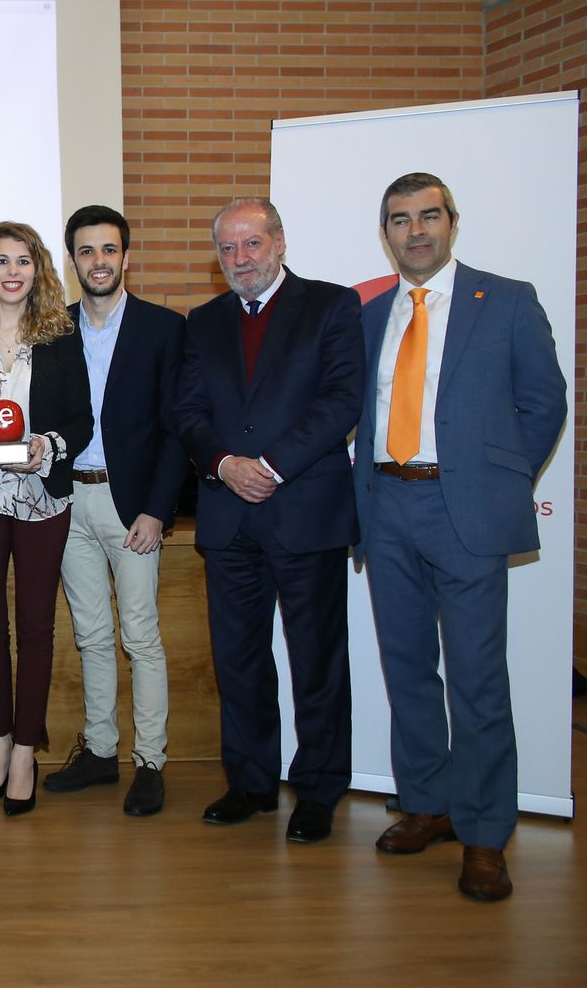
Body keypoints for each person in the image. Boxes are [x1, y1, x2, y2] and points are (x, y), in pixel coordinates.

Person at [353, 173, 565, 901]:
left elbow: (544, 402)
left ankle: (483, 835)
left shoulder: (505, 300)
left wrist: (498, 482)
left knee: (477, 680)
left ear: (452, 222)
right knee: (408, 670)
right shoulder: (370, 314)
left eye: (429, 216)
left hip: (463, 509)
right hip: (385, 508)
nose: (415, 231)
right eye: (400, 219)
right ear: (385, 232)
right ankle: (428, 803)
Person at [176, 196, 364, 844]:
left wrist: (273, 465)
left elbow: (343, 399)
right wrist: (225, 463)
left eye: (251, 244)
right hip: (230, 518)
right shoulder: (203, 321)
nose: (239, 260)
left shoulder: (332, 306)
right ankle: (251, 783)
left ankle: (318, 789)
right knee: (239, 661)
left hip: (305, 511)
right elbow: (188, 410)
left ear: (279, 243)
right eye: (227, 249)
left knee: (316, 661)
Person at [0, 221, 92, 817]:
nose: (11, 271)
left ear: (38, 269)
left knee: (35, 627)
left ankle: (27, 750)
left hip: (40, 499)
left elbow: (79, 420)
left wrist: (47, 445)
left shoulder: (61, 333)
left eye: (22, 261)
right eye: (0, 261)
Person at [42, 205, 188, 817]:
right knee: (91, 634)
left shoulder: (164, 328)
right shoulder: (54, 329)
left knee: (140, 634)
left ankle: (149, 761)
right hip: (68, 499)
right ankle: (101, 752)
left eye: (109, 250)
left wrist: (158, 510)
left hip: (133, 508)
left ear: (126, 258)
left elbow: (177, 429)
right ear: (72, 261)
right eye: (86, 251)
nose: (98, 261)